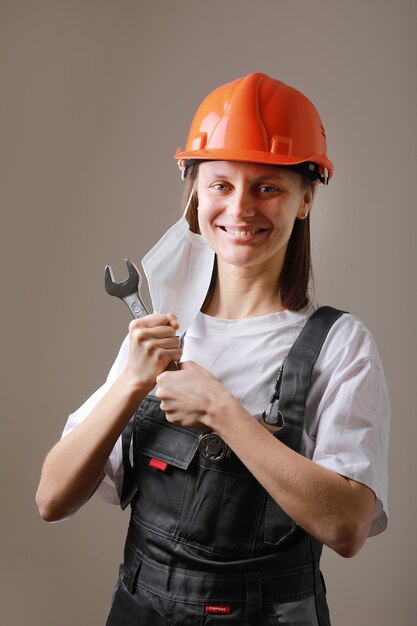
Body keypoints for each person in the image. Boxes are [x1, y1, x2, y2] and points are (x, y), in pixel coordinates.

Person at [36, 72, 389, 625]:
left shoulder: (340, 345)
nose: (241, 209)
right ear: (195, 192)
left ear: (305, 198)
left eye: (267, 187)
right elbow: (51, 499)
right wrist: (131, 382)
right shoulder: (159, 332)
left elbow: (347, 528)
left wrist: (223, 413)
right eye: (221, 184)